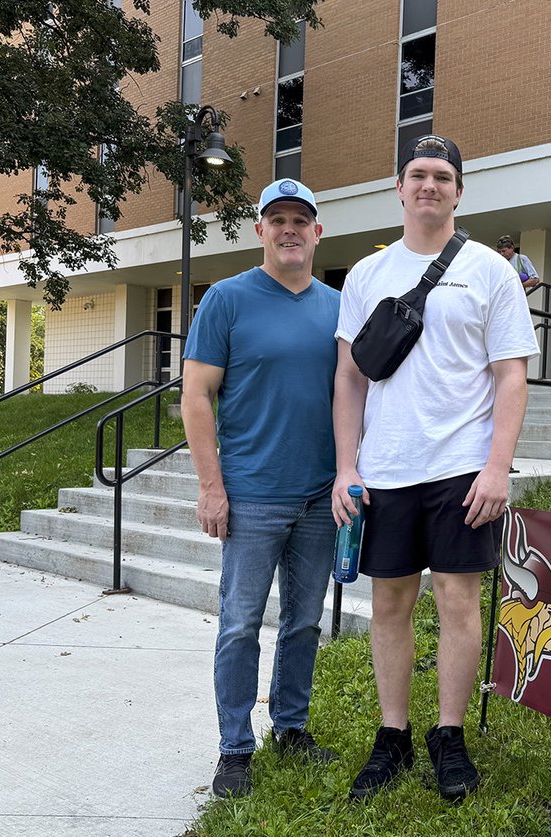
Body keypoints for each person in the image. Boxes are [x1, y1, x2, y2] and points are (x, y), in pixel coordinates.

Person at [332, 135, 539, 801]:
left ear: (458, 190)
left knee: (457, 599)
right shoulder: (367, 275)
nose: (429, 185)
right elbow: (349, 378)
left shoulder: (490, 270)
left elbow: (511, 376)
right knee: (390, 599)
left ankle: (448, 735)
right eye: (418, 174)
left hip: (461, 467)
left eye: (442, 176)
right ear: (398, 187)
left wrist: (498, 467)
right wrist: (345, 468)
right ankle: (391, 735)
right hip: (386, 467)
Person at [181, 178, 340, 798]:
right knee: (240, 624)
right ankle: (234, 749)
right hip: (251, 495)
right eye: (278, 220)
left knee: (303, 623)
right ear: (261, 231)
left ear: (317, 232)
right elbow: (196, 397)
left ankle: (292, 728)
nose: (290, 229)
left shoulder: (336, 307)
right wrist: (210, 486)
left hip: (320, 497)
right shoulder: (225, 300)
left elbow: (352, 397)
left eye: (302, 219)